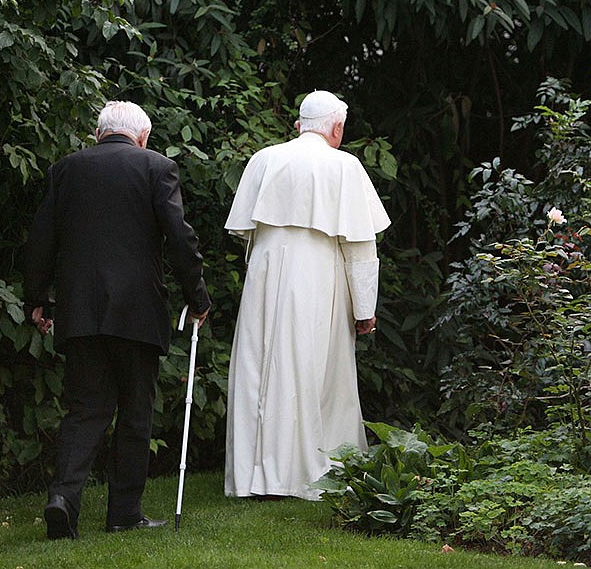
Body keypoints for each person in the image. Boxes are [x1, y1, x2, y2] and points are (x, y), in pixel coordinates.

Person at [23, 100, 211, 539]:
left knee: (85, 408)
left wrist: (38, 299)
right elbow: (181, 239)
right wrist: (197, 298)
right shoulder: (156, 167)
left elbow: (40, 239)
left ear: (98, 134)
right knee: (135, 411)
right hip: (138, 310)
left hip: (81, 310)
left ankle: (63, 498)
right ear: (142, 136)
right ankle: (123, 512)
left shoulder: (65, 170)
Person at [223, 90, 390, 500]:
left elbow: (246, 231)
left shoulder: (264, 159)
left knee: (259, 368)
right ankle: (310, 474)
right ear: (336, 127)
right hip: (319, 277)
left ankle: (254, 478)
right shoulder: (344, 165)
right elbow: (360, 247)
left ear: (300, 124)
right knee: (314, 371)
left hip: (265, 273)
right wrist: (364, 309)